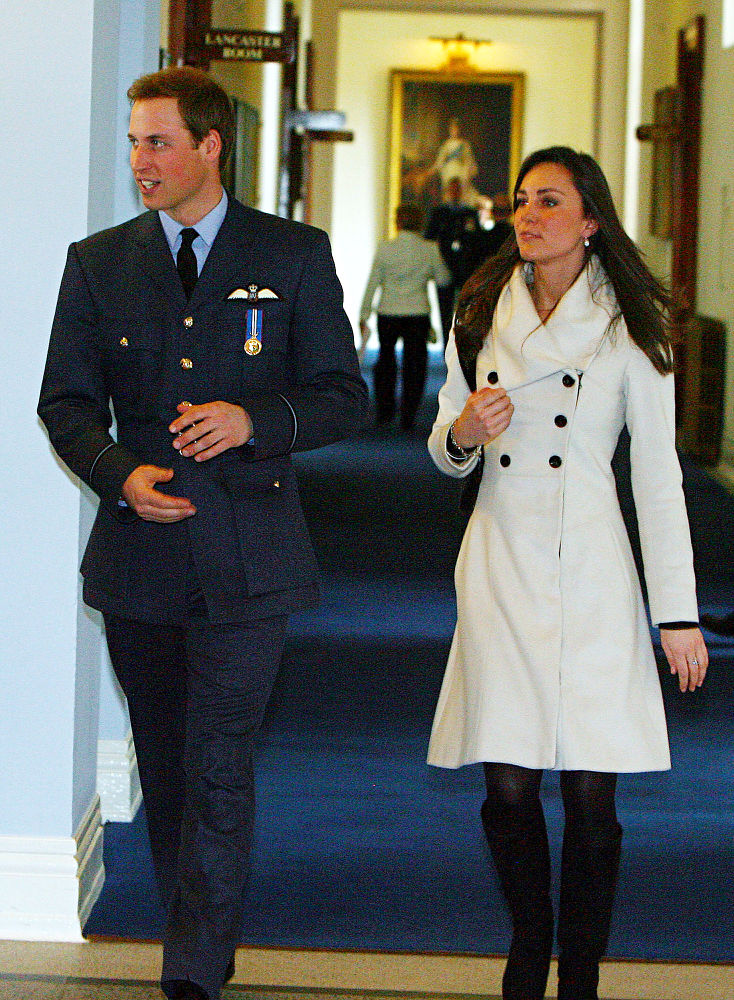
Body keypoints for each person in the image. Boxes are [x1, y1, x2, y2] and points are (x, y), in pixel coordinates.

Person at [38, 67, 367, 1000]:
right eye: (135, 142)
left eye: (158, 142)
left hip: (249, 560)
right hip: (139, 559)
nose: (140, 160)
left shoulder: (292, 253)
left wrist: (254, 420)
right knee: (170, 771)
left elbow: (345, 396)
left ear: (210, 145)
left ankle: (189, 977)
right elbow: (64, 404)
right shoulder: (98, 260)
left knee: (220, 765)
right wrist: (118, 476)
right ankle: (205, 936)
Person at [426, 146, 708, 1000]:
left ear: (590, 222)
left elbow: (657, 478)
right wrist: (466, 432)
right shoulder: (478, 316)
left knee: (592, 800)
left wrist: (678, 614)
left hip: (591, 568)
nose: (528, 214)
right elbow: (444, 446)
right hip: (501, 563)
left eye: (550, 201)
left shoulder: (634, 328)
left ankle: (578, 973)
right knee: (507, 787)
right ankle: (528, 944)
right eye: (520, 199)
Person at [360, 204, 451, 429]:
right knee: (415, 364)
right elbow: (443, 280)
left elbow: (373, 282)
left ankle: (385, 411)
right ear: (420, 223)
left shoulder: (385, 249)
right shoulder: (429, 249)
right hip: (417, 313)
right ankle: (408, 413)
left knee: (385, 361)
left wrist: (364, 313)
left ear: (397, 222)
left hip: (388, 311)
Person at [424, 177, 485, 345]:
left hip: (465, 269)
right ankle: (446, 346)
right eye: (453, 189)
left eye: (458, 189)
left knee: (466, 312)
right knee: (444, 311)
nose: (455, 192)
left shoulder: (470, 212)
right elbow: (429, 238)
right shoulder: (439, 213)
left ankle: (463, 347)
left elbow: (478, 239)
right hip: (443, 266)